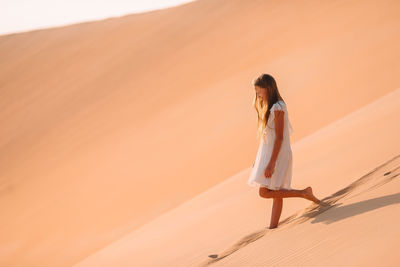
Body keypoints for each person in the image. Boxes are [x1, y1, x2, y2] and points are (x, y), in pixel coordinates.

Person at [247, 73, 321, 229]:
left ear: (268, 89)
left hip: (278, 155)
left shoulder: (278, 107)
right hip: (269, 154)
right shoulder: (268, 107)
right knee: (276, 192)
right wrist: (259, 160)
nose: (257, 95)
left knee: (265, 192)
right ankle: (273, 227)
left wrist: (271, 163)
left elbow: (280, 137)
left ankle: (303, 193)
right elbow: (267, 139)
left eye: (259, 91)